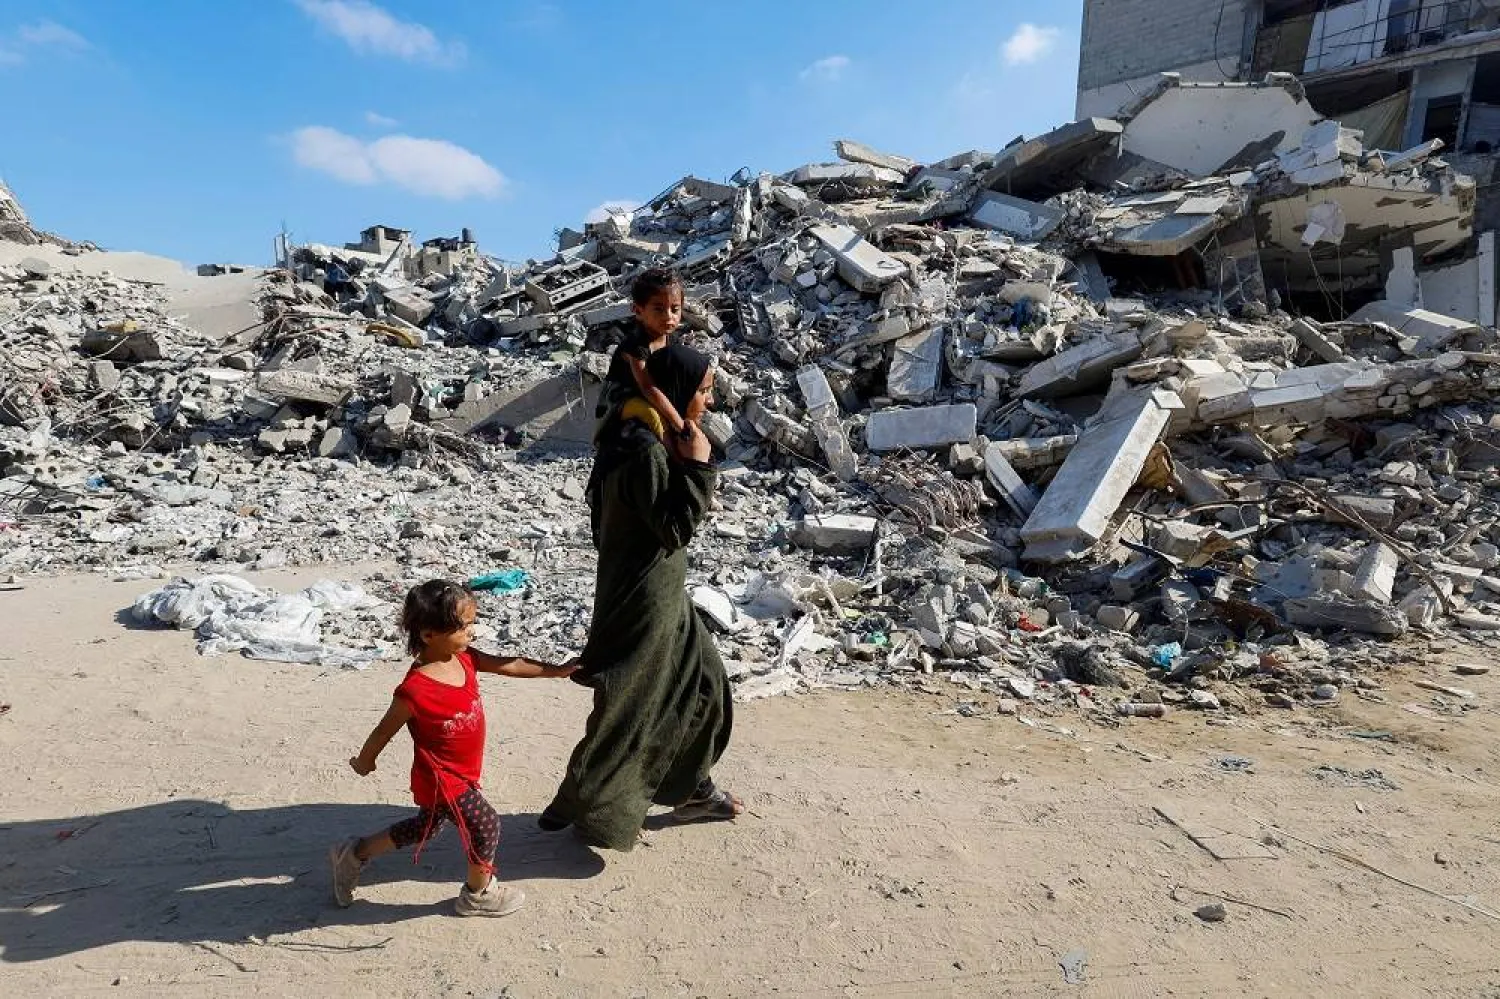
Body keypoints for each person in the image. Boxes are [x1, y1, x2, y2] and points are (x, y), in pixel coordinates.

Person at [543, 343, 743, 850]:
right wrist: (700, 469)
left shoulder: (640, 435)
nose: (710, 401)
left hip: (661, 590)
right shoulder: (641, 450)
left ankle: (692, 788)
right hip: (644, 597)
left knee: (704, 686)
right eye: (704, 390)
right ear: (678, 389)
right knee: (634, 706)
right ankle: (594, 807)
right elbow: (674, 529)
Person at [329, 580, 576, 916]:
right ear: (429, 634)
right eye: (463, 626)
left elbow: (510, 665)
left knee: (425, 828)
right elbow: (383, 730)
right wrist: (364, 760)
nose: (472, 631)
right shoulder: (414, 690)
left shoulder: (465, 659)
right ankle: (478, 894)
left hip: (463, 772)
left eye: (473, 622)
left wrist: (557, 671)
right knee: (486, 824)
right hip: (442, 779)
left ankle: (354, 854)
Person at [594, 267, 691, 444]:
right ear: (638, 311)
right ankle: (676, 456)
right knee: (653, 416)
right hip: (620, 398)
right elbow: (648, 388)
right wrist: (680, 426)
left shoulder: (670, 338)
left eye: (675, 309)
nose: (668, 317)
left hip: (650, 392)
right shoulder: (637, 344)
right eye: (659, 310)